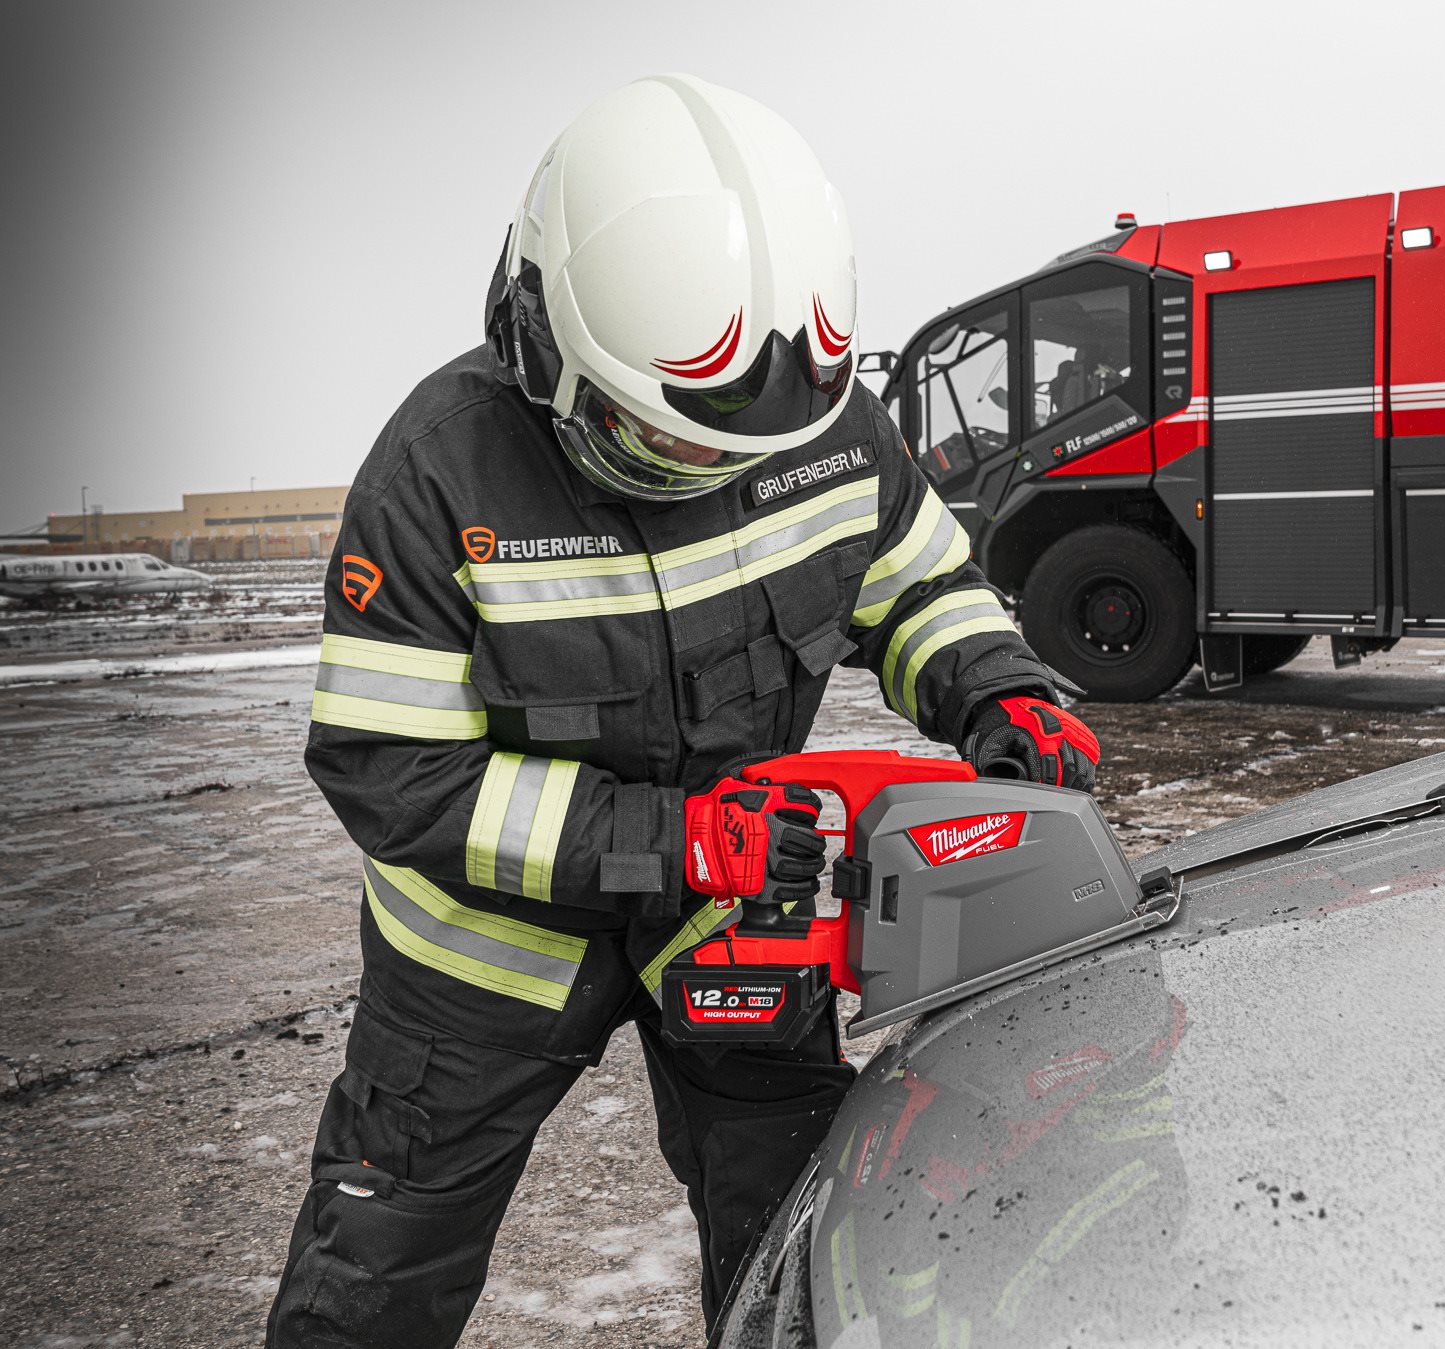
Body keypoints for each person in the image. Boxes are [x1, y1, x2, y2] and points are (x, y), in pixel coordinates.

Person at [266, 73, 1099, 1347]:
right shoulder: (435, 477)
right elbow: (394, 770)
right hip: (482, 959)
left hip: (740, 914)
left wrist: (997, 685)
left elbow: (919, 585)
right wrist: (672, 837)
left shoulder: (827, 428)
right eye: (663, 440)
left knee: (802, 1244)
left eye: (733, 453)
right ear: (540, 337)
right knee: (378, 1270)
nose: (706, 469)